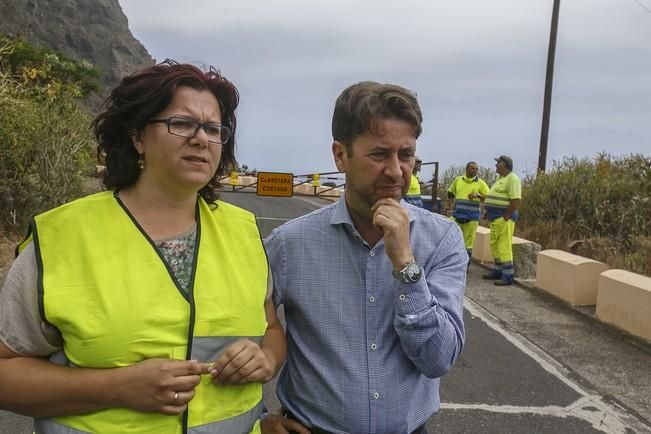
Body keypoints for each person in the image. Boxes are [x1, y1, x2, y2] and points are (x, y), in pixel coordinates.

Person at [0, 61, 285, 433]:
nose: (201, 139)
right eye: (181, 124)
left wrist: (265, 358)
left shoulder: (244, 233)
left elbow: (273, 329)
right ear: (137, 137)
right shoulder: (61, 237)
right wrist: (115, 388)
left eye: (214, 129)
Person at [262, 81, 467, 434]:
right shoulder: (287, 244)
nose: (396, 170)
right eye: (379, 154)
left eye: (406, 155)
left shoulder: (442, 239)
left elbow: (438, 359)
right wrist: (258, 419)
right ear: (340, 155)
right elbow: (238, 336)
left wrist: (405, 263)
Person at [482, 155, 522, 286]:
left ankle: (507, 276)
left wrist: (506, 216)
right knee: (495, 246)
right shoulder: (500, 179)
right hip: (495, 219)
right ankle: (497, 271)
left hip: (504, 219)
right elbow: (492, 198)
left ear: (504, 165)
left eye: (498, 163)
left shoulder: (513, 178)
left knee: (504, 247)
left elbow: (516, 200)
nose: (495, 165)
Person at [447, 161, 490, 267]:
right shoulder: (458, 180)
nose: (474, 170)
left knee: (468, 245)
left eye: (476, 169)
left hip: (472, 218)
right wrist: (451, 206)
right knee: (453, 240)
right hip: (457, 216)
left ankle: (465, 266)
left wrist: (477, 196)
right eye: (472, 168)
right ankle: (452, 264)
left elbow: (488, 197)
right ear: (466, 169)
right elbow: (450, 193)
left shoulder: (480, 183)